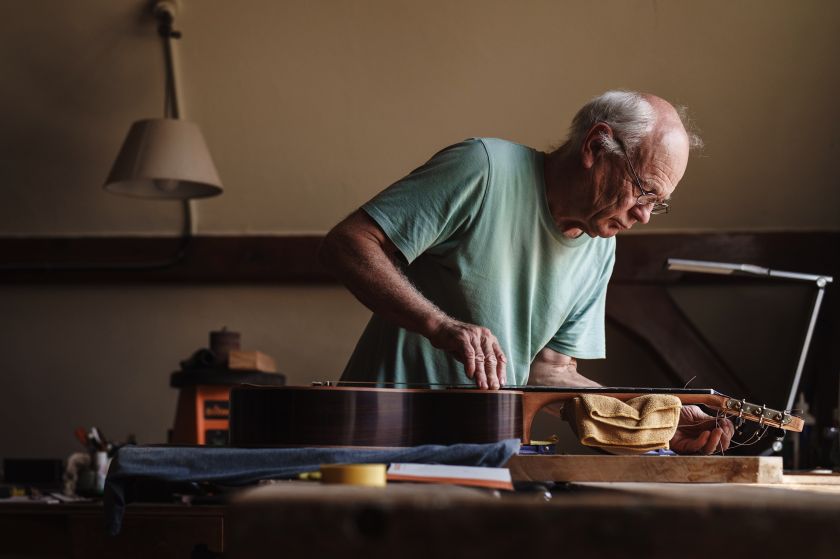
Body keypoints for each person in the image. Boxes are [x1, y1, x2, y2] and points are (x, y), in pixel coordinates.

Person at [320, 90, 734, 454]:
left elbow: (550, 374)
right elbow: (350, 242)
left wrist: (653, 421)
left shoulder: (600, 248)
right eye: (643, 191)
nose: (644, 216)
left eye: (658, 203)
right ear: (595, 147)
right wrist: (438, 325)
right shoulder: (482, 168)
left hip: (480, 457)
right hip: (375, 440)